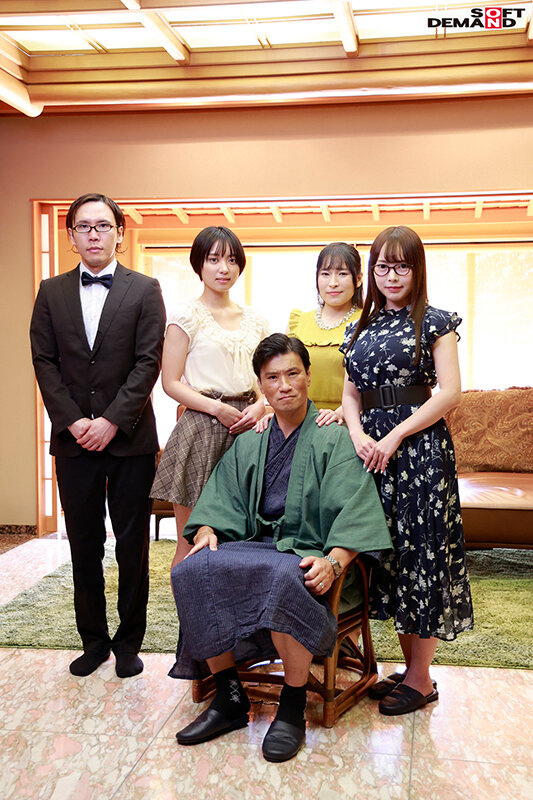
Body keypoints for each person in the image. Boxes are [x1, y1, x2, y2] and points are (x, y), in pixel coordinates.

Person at [169, 334, 392, 762]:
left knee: (286, 575)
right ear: (261, 385)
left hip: (306, 553)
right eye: (273, 377)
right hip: (255, 544)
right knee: (191, 570)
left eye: (293, 374)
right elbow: (223, 495)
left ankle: (291, 705)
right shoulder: (251, 439)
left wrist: (334, 561)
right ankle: (230, 697)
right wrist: (208, 528)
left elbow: (356, 508)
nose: (284, 385)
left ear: (308, 377)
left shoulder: (333, 436)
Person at [30, 193, 166, 678]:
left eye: (103, 226)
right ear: (71, 236)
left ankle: (129, 643)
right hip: (73, 441)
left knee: (133, 546)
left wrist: (110, 420)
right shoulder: (51, 291)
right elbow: (44, 361)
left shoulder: (145, 289)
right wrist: (73, 421)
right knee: (83, 545)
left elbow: (148, 362)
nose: (94, 234)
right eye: (84, 226)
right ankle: (93, 641)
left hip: (130, 439)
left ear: (118, 233)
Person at [340, 225, 474, 716]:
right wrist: (358, 433)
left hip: (419, 453)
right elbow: (351, 393)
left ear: (417, 270)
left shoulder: (436, 321)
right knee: (391, 558)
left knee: (421, 556)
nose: (391, 275)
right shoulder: (361, 326)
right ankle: (411, 668)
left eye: (401, 266)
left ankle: (420, 679)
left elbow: (450, 392)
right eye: (382, 266)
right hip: (372, 454)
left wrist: (395, 435)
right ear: (372, 271)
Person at [150, 226, 269, 565]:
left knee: (243, 542)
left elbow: (267, 379)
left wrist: (261, 405)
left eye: (231, 260)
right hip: (201, 429)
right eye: (214, 259)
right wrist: (217, 409)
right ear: (199, 265)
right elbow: (170, 382)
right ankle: (187, 602)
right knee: (190, 542)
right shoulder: (185, 316)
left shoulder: (256, 320)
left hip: (250, 430)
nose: (223, 268)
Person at [288, 242, 363, 425]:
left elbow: (373, 384)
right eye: (325, 274)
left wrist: (339, 413)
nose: (333, 283)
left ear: (358, 279)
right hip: (299, 422)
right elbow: (283, 375)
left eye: (342, 273)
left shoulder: (369, 323)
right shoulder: (299, 321)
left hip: (349, 423)